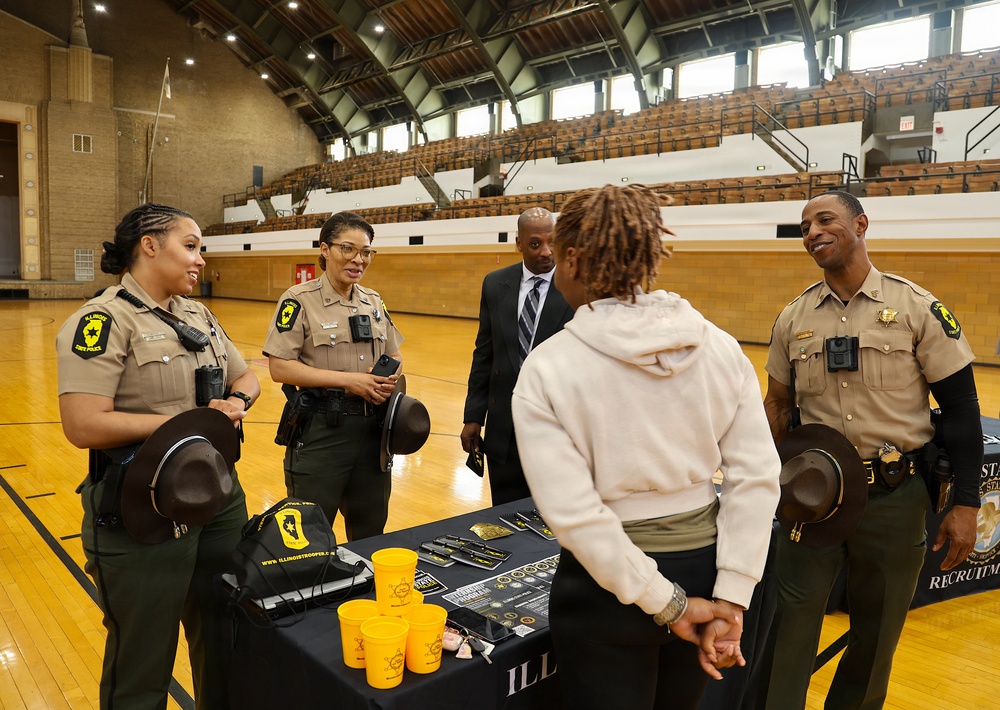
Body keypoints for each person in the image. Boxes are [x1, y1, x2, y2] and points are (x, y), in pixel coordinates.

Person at [511, 184, 781, 709]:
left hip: (607, 588)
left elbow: (576, 516)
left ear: (570, 258)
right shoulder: (721, 347)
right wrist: (730, 597)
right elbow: (757, 477)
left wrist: (672, 607)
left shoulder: (548, 367)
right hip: (708, 568)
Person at [757, 190, 983, 709]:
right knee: (789, 627)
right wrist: (762, 486)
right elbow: (777, 407)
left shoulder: (915, 307)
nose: (813, 231)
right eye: (805, 224)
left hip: (894, 496)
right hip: (812, 501)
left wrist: (966, 504)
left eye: (826, 219)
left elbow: (963, 409)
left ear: (861, 224)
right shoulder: (793, 318)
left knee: (876, 636)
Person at [56, 202, 260, 709]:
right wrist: (188, 423)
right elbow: (83, 424)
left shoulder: (200, 314)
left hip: (216, 496)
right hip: (140, 508)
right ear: (149, 246)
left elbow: (247, 376)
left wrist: (234, 404)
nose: (200, 260)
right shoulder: (104, 320)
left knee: (225, 633)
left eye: (201, 249)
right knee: (142, 658)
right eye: (190, 246)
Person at [264, 211, 403, 541]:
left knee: (371, 533)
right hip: (322, 433)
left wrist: (388, 377)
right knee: (310, 534)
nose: (359, 259)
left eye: (366, 252)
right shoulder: (298, 300)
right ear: (325, 249)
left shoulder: (373, 302)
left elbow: (395, 354)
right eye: (348, 249)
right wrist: (349, 381)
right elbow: (279, 367)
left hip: (373, 436)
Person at [461, 207, 574, 504]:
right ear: (519, 243)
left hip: (556, 429)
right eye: (536, 244)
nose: (546, 252)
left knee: (552, 522)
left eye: (553, 242)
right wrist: (474, 416)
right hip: (504, 430)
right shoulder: (496, 284)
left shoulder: (577, 285)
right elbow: (484, 353)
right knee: (505, 517)